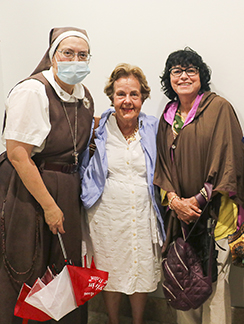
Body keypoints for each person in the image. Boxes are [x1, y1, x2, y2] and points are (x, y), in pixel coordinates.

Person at [0, 27, 94, 323]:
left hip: (66, 186)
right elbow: (18, 154)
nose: (75, 60)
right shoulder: (33, 91)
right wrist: (50, 206)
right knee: (27, 260)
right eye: (68, 53)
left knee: (62, 267)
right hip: (30, 187)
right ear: (52, 57)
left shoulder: (84, 95)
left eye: (83, 54)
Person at [154, 47, 244, 324]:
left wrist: (196, 201)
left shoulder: (219, 108)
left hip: (215, 216)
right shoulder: (167, 117)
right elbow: (160, 165)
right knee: (182, 282)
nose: (183, 76)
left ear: (201, 76)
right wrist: (174, 201)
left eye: (190, 70)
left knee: (214, 288)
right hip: (178, 217)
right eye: (176, 71)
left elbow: (229, 161)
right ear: (169, 78)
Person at [80, 63, 165, 324]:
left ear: (143, 97)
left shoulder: (154, 128)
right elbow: (82, 166)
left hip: (142, 211)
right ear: (112, 97)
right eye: (121, 94)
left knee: (140, 271)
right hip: (107, 216)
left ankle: (138, 321)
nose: (127, 101)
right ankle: (114, 321)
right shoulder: (98, 129)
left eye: (134, 95)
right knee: (111, 272)